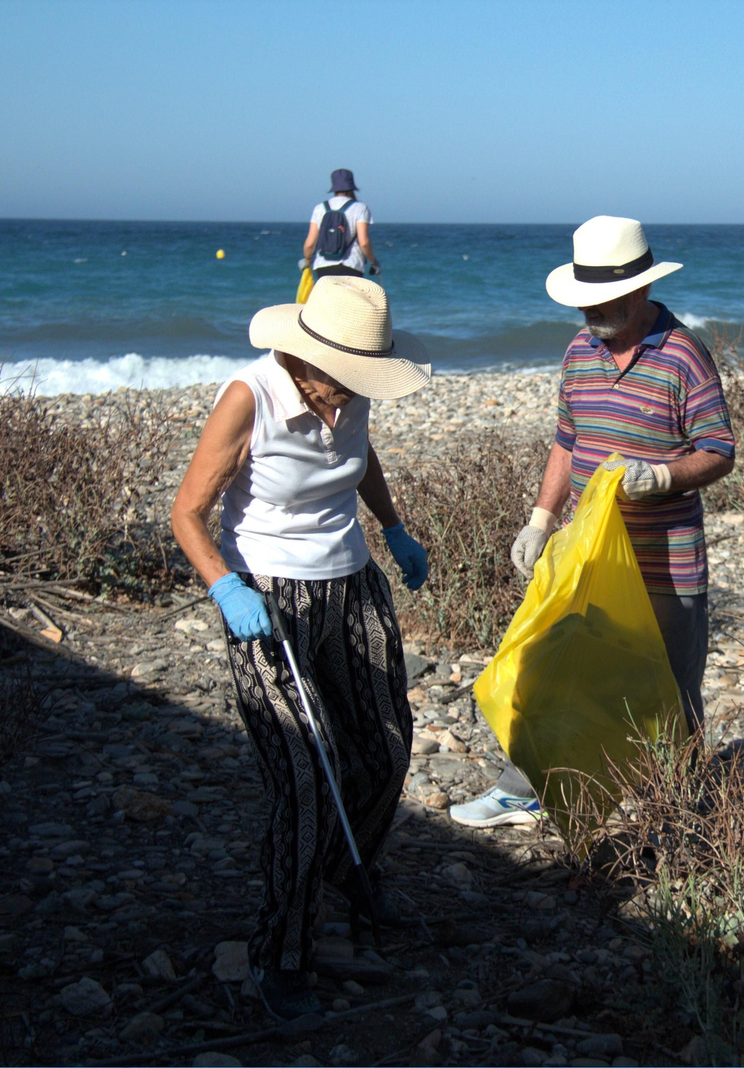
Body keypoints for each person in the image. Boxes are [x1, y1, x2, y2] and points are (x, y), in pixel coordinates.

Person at [169, 277, 431, 1020]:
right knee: (307, 780)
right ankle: (279, 953)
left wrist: (394, 526)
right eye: (347, 379)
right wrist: (225, 587)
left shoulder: (351, 393)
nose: (354, 394)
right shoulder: (249, 397)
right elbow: (187, 512)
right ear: (307, 359)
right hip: (266, 602)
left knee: (385, 750)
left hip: (351, 584)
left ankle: (352, 870)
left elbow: (361, 454)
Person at [450, 216, 736, 829]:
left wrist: (662, 476)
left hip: (665, 564)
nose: (591, 313)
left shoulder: (684, 355)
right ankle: (523, 788)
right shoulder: (579, 351)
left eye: (602, 300)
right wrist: (540, 518)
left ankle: (680, 814)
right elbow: (566, 442)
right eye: (585, 300)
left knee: (672, 692)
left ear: (639, 291)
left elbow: (719, 451)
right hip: (587, 554)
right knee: (554, 668)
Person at [300, 168, 378, 280]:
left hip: (323, 267)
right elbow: (364, 243)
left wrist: (307, 262)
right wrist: (373, 262)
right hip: (351, 266)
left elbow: (309, 244)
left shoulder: (320, 208)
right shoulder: (360, 208)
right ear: (351, 186)